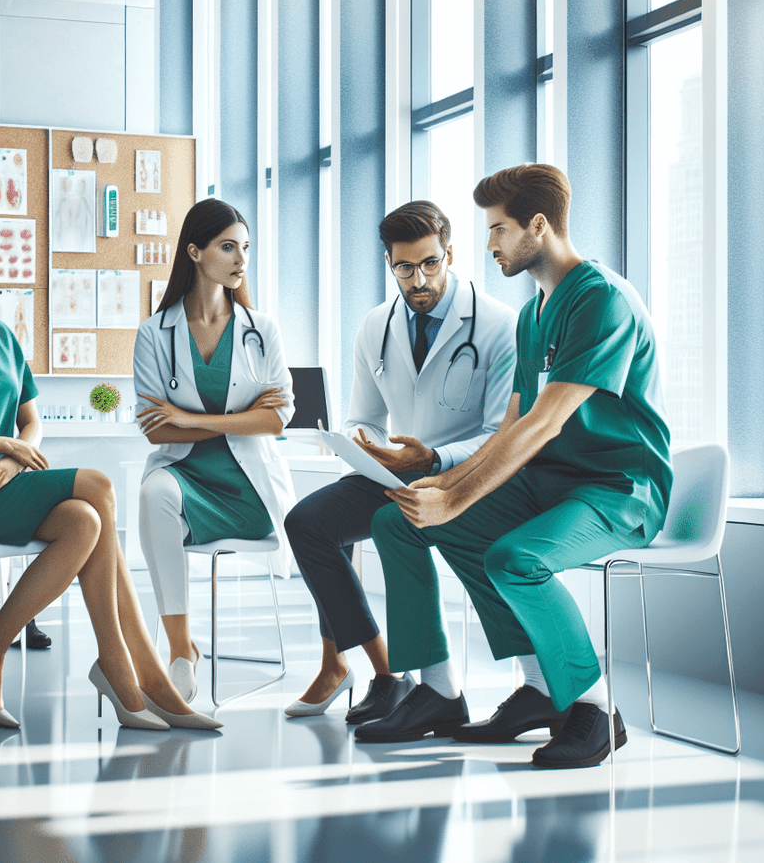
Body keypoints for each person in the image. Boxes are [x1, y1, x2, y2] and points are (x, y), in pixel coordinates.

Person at [370, 164, 671, 768]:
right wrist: (442, 485)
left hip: (618, 491)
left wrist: (457, 500)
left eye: (499, 229)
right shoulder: (535, 313)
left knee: (515, 557)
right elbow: (512, 423)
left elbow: (545, 422)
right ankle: (469, 689)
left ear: (539, 225)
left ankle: (593, 707)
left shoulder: (600, 300)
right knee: (398, 522)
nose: (488, 245)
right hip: (550, 486)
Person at [0, 212, 219, 731]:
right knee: (98, 485)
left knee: (83, 521)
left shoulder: (0, 333)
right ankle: (132, 673)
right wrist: (5, 446)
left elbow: (31, 419)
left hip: (2, 483)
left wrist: (16, 451)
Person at [282, 201, 516, 728]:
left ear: (449, 254)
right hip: (398, 472)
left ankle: (426, 684)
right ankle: (387, 673)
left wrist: (434, 457)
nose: (419, 279)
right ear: (389, 264)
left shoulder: (499, 326)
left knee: (394, 527)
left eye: (430, 263)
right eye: (404, 268)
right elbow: (362, 417)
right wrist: (367, 448)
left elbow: (502, 432)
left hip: (468, 475)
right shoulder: (375, 326)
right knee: (309, 523)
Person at [132, 198, 297, 701]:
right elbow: (157, 431)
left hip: (248, 488)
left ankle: (183, 650)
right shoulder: (154, 334)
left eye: (245, 247)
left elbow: (277, 416)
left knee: (161, 493)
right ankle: (183, 650)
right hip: (185, 476)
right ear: (195, 252)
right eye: (228, 247)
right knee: (153, 494)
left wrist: (190, 419)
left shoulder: (260, 330)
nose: (240, 259)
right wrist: (232, 422)